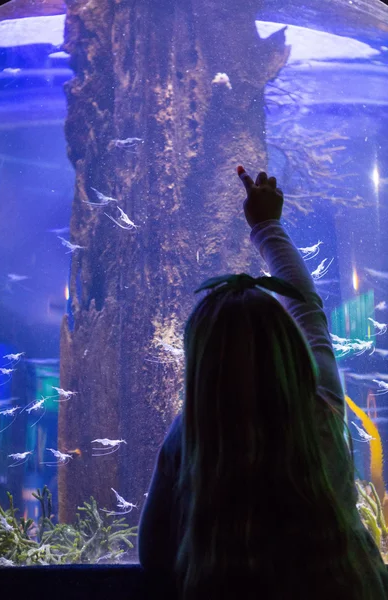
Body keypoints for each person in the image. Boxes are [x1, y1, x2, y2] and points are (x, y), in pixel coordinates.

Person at [138, 168, 388, 599]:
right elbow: (307, 311)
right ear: (291, 351)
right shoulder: (323, 412)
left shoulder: (192, 436)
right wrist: (266, 226)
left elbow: (152, 552)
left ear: (200, 374)